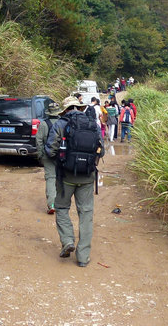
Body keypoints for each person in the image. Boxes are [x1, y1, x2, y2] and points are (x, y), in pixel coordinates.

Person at [45, 96, 103, 267]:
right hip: (87, 177)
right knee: (86, 214)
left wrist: (62, 160)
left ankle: (68, 240)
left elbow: (50, 150)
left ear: (65, 110)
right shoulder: (93, 124)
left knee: (62, 208)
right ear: (80, 108)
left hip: (66, 177)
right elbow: (101, 151)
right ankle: (83, 257)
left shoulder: (60, 124)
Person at [36, 100, 62, 214]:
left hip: (47, 155)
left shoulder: (43, 124)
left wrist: (41, 154)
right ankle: (60, 203)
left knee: (50, 178)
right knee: (60, 178)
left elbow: (38, 140)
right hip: (61, 155)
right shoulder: (63, 122)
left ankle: (51, 204)